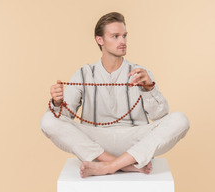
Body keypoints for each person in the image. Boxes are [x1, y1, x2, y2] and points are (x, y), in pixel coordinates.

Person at [40, 12, 190, 178]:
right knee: (47, 120)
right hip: (95, 141)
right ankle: (124, 166)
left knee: (180, 119)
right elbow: (64, 117)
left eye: (124, 36)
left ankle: (108, 166)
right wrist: (57, 102)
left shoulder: (140, 72)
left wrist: (149, 88)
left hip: (134, 139)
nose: (123, 41)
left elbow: (160, 116)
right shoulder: (84, 73)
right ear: (100, 40)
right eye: (115, 36)